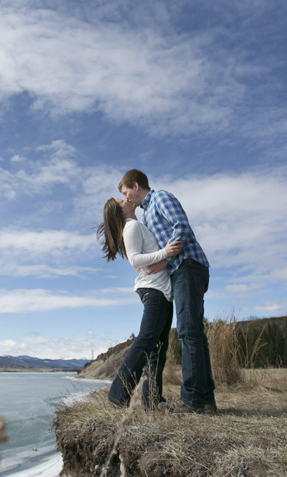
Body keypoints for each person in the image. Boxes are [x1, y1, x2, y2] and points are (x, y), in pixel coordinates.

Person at [119, 169, 217, 414]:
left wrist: (164, 261)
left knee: (188, 332)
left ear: (136, 185)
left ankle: (193, 400)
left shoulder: (160, 198)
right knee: (193, 332)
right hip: (181, 269)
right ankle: (204, 400)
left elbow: (181, 227)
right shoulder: (146, 215)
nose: (126, 197)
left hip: (188, 265)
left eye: (125, 192)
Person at [97, 197, 183, 409]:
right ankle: (117, 396)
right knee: (146, 341)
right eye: (121, 199)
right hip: (153, 290)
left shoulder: (136, 224)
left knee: (157, 349)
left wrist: (162, 258)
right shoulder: (132, 226)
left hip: (159, 290)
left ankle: (151, 400)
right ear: (120, 210)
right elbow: (135, 259)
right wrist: (166, 252)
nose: (126, 198)